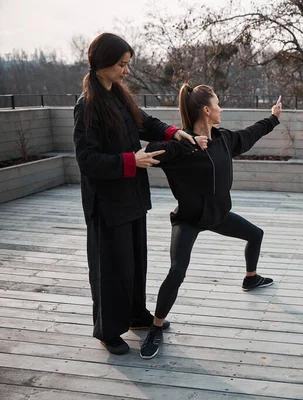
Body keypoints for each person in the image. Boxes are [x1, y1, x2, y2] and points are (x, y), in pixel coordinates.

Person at [139, 84, 283, 359]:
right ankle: (155, 328)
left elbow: (249, 134)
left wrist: (273, 118)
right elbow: (154, 149)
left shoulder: (223, 138)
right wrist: (187, 146)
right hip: (189, 220)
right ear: (207, 110)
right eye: (218, 104)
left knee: (256, 234)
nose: (221, 109)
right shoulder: (180, 142)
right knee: (177, 272)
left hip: (218, 215)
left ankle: (250, 279)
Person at [73, 33, 195, 355]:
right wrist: (132, 160)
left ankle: (136, 315)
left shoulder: (119, 96)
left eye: (127, 64)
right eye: (121, 65)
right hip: (108, 204)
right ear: (102, 65)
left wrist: (174, 131)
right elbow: (87, 160)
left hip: (132, 198)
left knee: (135, 262)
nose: (126, 70)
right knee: (111, 269)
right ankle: (108, 330)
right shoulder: (87, 106)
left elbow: (144, 122)